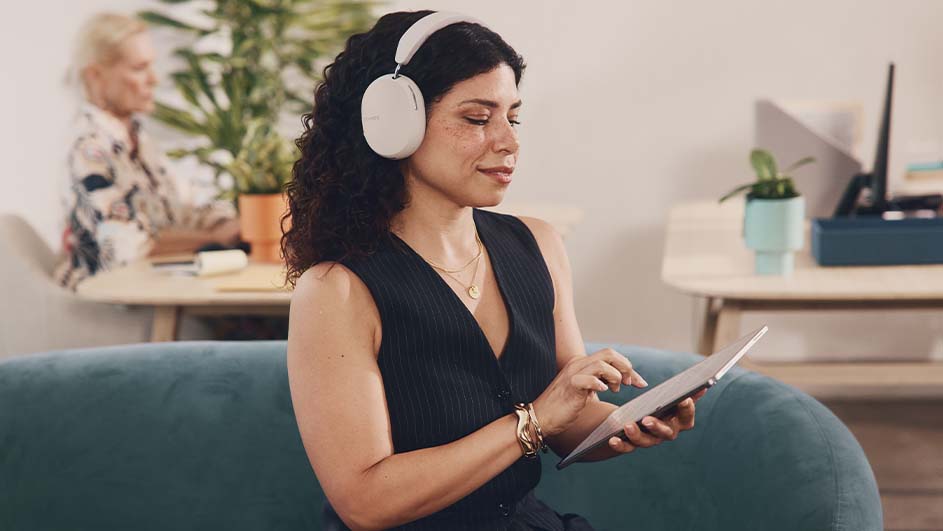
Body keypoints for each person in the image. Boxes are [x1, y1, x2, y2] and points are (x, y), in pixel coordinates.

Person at [283, 11, 705, 531]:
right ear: (394, 124)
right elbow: (365, 502)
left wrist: (628, 422)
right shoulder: (336, 290)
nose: (508, 142)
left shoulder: (539, 246)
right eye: (478, 119)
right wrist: (534, 421)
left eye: (514, 117)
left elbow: (567, 423)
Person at [56, 13, 239, 290]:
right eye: (140, 68)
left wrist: (235, 225)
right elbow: (129, 248)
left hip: (154, 287)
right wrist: (217, 237)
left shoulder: (138, 140)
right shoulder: (88, 149)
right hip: (114, 301)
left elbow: (186, 206)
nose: (153, 79)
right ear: (95, 76)